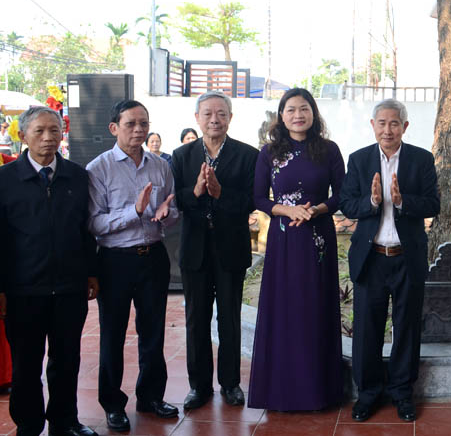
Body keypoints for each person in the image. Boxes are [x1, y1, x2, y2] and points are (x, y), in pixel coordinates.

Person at [0, 106, 99, 436]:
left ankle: (64, 421)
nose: (48, 138)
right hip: (23, 290)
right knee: (26, 365)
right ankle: (28, 425)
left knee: (66, 360)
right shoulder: (5, 180)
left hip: (69, 288)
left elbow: (87, 230)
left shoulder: (77, 176)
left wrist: (91, 272)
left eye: (54, 131)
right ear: (22, 136)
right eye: (40, 131)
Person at [339, 98, 439, 422]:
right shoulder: (358, 160)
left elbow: (433, 204)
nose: (388, 129)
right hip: (371, 258)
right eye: (381, 123)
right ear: (373, 126)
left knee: (406, 328)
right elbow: (347, 204)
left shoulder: (421, 160)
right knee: (367, 330)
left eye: (394, 123)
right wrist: (372, 200)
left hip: (406, 257)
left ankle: (402, 393)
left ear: (404, 127)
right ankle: (367, 394)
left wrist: (401, 201)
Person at [248, 88, 345, 411]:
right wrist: (287, 211)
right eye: (290, 110)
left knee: (315, 306)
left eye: (304, 109)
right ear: (281, 115)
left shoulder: (329, 150)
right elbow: (259, 198)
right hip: (284, 237)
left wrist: (316, 210)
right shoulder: (269, 152)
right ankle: (281, 391)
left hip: (317, 238)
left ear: (314, 113)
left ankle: (319, 391)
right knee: (284, 308)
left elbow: (341, 196)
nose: (298, 115)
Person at [86, 100, 179, 432]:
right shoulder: (99, 169)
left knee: (152, 332)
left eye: (144, 123)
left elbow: (172, 212)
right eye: (131, 124)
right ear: (114, 128)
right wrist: (135, 211)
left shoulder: (160, 166)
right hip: (115, 261)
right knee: (112, 334)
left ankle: (151, 396)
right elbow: (95, 224)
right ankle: (112, 404)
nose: (139, 130)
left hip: (153, 256)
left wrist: (167, 215)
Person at [172, 91, 258, 410]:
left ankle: (231, 384)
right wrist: (195, 191)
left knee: (229, 319)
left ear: (230, 118)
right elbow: (176, 201)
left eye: (221, 113)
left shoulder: (248, 155)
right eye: (207, 113)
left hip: (230, 248)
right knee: (196, 319)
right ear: (197, 117)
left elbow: (252, 201)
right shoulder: (181, 156)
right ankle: (199, 386)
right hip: (195, 249)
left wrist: (220, 193)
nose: (214, 119)